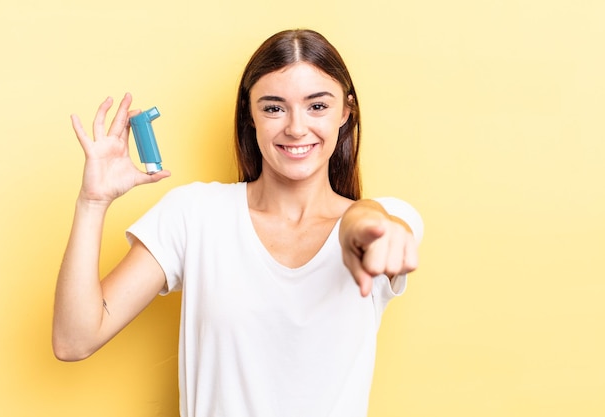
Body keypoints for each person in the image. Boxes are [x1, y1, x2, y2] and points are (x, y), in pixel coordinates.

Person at [52, 29, 423, 417]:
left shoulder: (384, 222)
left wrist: (363, 229)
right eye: (274, 108)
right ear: (250, 113)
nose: (296, 128)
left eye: (317, 106)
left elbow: (367, 220)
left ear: (346, 112)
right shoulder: (195, 215)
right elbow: (73, 341)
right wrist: (92, 202)